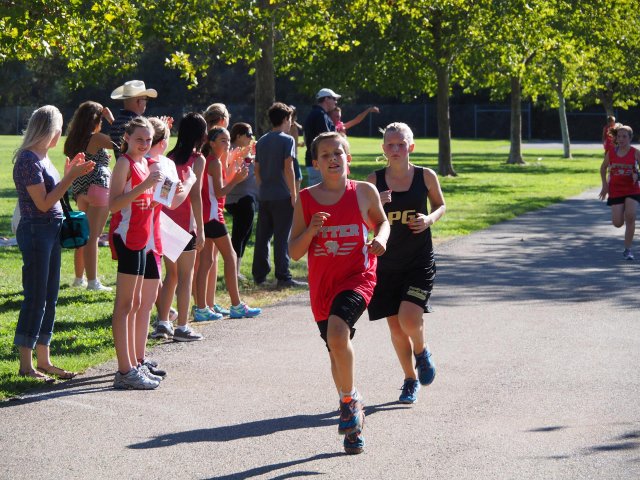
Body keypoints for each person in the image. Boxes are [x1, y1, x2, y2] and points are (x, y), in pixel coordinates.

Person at [289, 131, 389, 455]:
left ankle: (349, 402)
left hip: (358, 277)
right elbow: (294, 252)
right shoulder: (306, 199)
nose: (333, 159)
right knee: (335, 349)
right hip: (323, 287)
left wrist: (381, 239)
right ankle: (351, 416)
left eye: (338, 153)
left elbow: (382, 222)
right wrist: (311, 230)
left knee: (337, 333)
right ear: (316, 163)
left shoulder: (363, 192)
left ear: (349, 158)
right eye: (326, 155)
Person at [13, 105, 95, 382]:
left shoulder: (43, 157)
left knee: (50, 297)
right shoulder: (28, 160)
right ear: (50, 130)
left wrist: (70, 174)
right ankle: (26, 365)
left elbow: (54, 196)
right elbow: (43, 203)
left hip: (51, 230)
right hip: (36, 231)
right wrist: (70, 177)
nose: (61, 134)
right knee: (36, 297)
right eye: (59, 129)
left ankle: (44, 360)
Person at [366, 122, 446, 405]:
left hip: (418, 261)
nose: (396, 149)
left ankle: (421, 352)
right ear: (383, 148)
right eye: (391, 145)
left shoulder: (425, 175)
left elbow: (440, 205)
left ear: (411, 146)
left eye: (401, 144)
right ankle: (410, 379)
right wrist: (377, 202)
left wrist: (429, 219)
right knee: (397, 328)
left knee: (409, 318)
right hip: (385, 264)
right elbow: (361, 218)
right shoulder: (373, 181)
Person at [109, 116, 165, 389]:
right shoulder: (124, 163)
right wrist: (145, 187)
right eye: (139, 139)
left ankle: (133, 364)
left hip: (142, 238)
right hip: (127, 237)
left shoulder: (144, 163)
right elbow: (113, 204)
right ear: (127, 138)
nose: (144, 144)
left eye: (148, 139)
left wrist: (156, 198)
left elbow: (142, 202)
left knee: (135, 303)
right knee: (124, 305)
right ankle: (124, 371)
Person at [136, 117, 197, 370]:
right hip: (151, 235)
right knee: (142, 302)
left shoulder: (135, 161)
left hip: (135, 234)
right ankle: (136, 360)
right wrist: (190, 181)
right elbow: (171, 201)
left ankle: (137, 357)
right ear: (163, 142)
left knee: (137, 301)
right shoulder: (164, 164)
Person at [194, 126, 261, 320]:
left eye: (228, 140)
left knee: (206, 262)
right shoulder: (213, 162)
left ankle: (201, 308)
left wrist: (231, 166)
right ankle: (236, 305)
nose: (227, 144)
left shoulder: (209, 160)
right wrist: (236, 180)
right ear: (212, 143)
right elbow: (220, 192)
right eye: (223, 140)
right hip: (213, 215)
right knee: (230, 257)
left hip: (206, 215)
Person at [153, 113, 207, 341]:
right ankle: (183, 326)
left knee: (171, 275)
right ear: (200, 135)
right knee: (186, 276)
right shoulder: (198, 160)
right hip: (185, 224)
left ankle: (163, 322)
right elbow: (196, 196)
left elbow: (164, 193)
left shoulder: (170, 157)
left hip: (166, 222)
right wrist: (200, 229)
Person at [253, 102, 306, 288]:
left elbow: (257, 168)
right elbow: (288, 167)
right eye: (290, 119)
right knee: (282, 237)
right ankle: (283, 276)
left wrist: (262, 187)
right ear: (285, 119)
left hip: (265, 195)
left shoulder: (262, 140)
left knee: (263, 237)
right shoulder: (287, 140)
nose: (290, 123)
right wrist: (294, 193)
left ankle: (259, 275)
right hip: (282, 195)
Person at [64, 101, 115, 291]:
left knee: (83, 235)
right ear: (96, 119)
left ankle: (79, 278)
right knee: (93, 237)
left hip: (80, 189)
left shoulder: (74, 139)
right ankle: (93, 282)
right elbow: (124, 142)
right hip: (98, 187)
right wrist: (112, 120)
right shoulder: (97, 137)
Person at [598, 124, 640, 260]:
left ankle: (628, 249)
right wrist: (605, 186)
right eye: (619, 136)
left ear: (630, 138)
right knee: (617, 223)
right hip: (615, 189)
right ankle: (621, 214)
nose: (621, 139)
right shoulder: (611, 152)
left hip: (632, 189)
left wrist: (638, 175)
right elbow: (603, 168)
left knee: (631, 216)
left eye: (624, 136)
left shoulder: (635, 152)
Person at [226, 122, 259, 280]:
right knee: (239, 235)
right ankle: (234, 271)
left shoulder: (243, 150)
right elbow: (233, 173)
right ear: (238, 136)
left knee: (245, 234)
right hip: (240, 198)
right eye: (249, 134)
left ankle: (236, 270)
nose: (251, 138)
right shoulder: (233, 151)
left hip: (245, 197)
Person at [109, 80, 158, 158]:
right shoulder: (138, 124)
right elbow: (148, 153)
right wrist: (163, 132)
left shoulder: (116, 122)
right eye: (145, 99)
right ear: (138, 101)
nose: (146, 102)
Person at [303, 88, 339, 186]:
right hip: (319, 162)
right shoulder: (320, 115)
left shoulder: (317, 113)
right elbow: (326, 140)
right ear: (326, 99)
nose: (336, 102)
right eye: (334, 99)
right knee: (320, 192)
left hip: (316, 160)